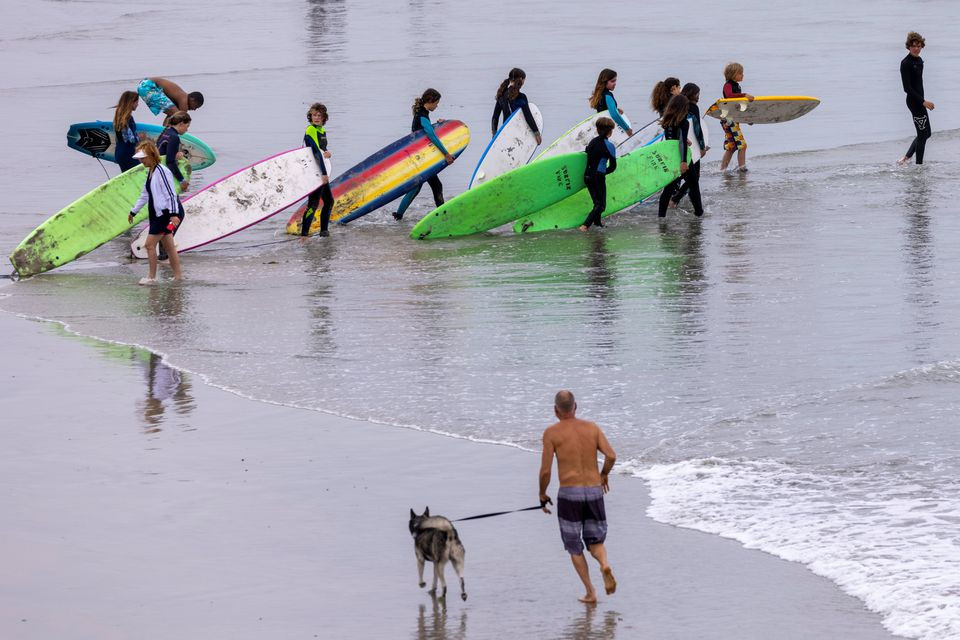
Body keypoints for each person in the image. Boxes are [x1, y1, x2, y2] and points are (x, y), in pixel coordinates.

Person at [539, 390, 617, 604]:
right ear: (576, 407)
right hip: (594, 491)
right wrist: (603, 475)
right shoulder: (592, 428)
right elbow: (611, 455)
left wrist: (542, 493)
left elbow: (546, 471)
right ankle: (604, 564)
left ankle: (591, 592)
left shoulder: (551, 433)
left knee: (574, 546)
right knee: (595, 540)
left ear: (556, 411)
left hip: (569, 494)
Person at [393, 88, 454, 221]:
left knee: (418, 187)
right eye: (436, 103)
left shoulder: (422, 114)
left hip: (418, 157)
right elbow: (431, 135)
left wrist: (439, 124)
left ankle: (398, 216)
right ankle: (443, 217)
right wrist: (446, 153)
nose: (437, 106)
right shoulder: (422, 115)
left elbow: (425, 131)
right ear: (430, 101)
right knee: (432, 186)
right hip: (421, 159)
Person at [128, 140, 183, 285]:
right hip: (157, 214)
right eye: (140, 158)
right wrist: (133, 212)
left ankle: (152, 278)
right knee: (169, 247)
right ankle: (178, 277)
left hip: (165, 214)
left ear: (152, 155)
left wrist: (173, 214)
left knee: (149, 245)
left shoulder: (162, 171)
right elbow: (145, 194)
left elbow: (171, 194)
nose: (141, 161)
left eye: (143, 158)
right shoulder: (151, 171)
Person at [669, 83, 708, 216]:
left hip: (675, 147)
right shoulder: (693, 107)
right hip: (691, 149)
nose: (698, 97)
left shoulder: (676, 104)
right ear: (692, 94)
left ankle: (675, 200)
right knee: (694, 178)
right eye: (697, 94)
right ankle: (696, 210)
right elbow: (697, 129)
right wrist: (702, 147)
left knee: (690, 178)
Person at [898, 31, 934, 166]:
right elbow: (907, 88)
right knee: (923, 135)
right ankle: (919, 166)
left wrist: (923, 100)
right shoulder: (905, 63)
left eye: (919, 46)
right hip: (915, 102)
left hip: (920, 101)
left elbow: (918, 84)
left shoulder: (919, 61)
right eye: (914, 46)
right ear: (908, 47)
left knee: (926, 133)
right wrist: (923, 102)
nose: (917, 48)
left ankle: (906, 158)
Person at [300, 102, 334, 239]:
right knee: (313, 204)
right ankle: (304, 235)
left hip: (321, 168)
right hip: (314, 172)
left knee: (329, 201)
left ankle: (324, 232)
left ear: (324, 117)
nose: (316, 118)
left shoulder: (321, 131)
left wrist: (327, 152)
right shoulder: (311, 130)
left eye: (319, 115)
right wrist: (324, 174)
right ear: (310, 116)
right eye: (314, 115)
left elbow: (321, 150)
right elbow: (314, 152)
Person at [579, 117, 618, 231]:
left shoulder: (592, 142)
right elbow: (613, 166)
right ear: (610, 131)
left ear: (597, 129)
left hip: (587, 176)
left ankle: (597, 224)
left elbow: (586, 155)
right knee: (601, 205)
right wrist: (604, 173)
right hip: (598, 176)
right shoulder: (609, 146)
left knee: (597, 202)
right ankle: (585, 226)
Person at [657, 95, 691, 218]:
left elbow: (673, 138)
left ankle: (661, 217)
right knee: (693, 179)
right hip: (678, 156)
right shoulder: (683, 122)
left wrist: (684, 139)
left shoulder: (667, 120)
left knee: (669, 187)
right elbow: (680, 142)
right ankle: (697, 211)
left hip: (668, 156)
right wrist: (683, 161)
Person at [718, 62, 754, 172]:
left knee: (732, 146)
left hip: (732, 119)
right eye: (740, 73)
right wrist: (744, 95)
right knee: (742, 146)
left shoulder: (736, 86)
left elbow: (737, 106)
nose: (743, 75)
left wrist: (747, 118)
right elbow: (729, 96)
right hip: (729, 120)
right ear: (733, 74)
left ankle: (722, 170)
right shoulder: (728, 85)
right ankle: (742, 169)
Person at [491, 67, 542, 145]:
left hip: (505, 133)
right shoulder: (521, 97)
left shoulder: (501, 95)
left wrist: (494, 135)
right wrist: (537, 133)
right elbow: (528, 117)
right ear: (521, 79)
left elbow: (495, 117)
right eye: (524, 79)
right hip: (518, 133)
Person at [588, 69, 633, 137]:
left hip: (602, 129)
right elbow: (614, 115)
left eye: (615, 80)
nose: (615, 83)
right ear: (605, 82)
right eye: (612, 81)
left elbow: (603, 111)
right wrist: (627, 129)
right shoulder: (607, 95)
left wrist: (615, 109)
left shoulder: (599, 94)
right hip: (608, 129)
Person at [156, 112, 191, 192]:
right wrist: (182, 180)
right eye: (187, 126)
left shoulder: (166, 132)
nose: (187, 129)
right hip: (163, 172)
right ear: (181, 124)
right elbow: (170, 162)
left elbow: (162, 152)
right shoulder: (174, 137)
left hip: (157, 169)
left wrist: (175, 155)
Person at [136, 77, 204, 118]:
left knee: (173, 115)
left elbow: (171, 118)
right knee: (179, 117)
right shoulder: (184, 100)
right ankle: (167, 136)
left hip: (143, 84)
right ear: (192, 99)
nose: (194, 109)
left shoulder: (179, 100)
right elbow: (182, 120)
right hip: (148, 86)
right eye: (195, 106)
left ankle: (164, 134)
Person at [113, 90, 141, 172]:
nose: (138, 105)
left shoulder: (118, 117)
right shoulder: (128, 118)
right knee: (137, 177)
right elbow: (131, 139)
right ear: (131, 102)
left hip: (119, 152)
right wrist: (140, 138)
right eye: (137, 102)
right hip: (128, 153)